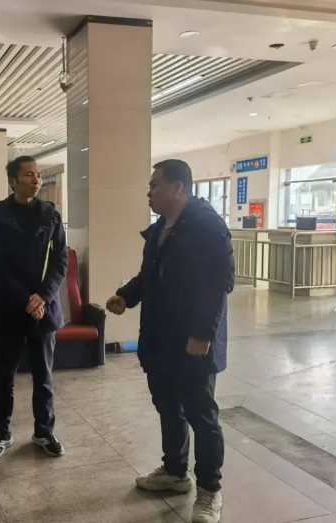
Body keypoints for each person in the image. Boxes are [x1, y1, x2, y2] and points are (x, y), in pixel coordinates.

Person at [106, 160, 235, 523]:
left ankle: (209, 490)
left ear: (179, 188)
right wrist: (126, 296)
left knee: (201, 415)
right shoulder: (162, 227)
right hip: (161, 337)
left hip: (192, 339)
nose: (149, 192)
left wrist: (202, 333)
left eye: (155, 185)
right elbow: (150, 274)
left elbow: (219, 282)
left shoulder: (207, 225)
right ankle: (176, 473)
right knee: (168, 406)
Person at [0, 155, 68, 461]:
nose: (36, 180)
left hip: (44, 308)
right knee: (3, 378)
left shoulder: (51, 215)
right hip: (8, 308)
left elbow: (60, 261)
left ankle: (44, 431)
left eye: (38, 175)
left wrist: (42, 296)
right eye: (29, 175)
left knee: (44, 377)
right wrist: (26, 300)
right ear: (13, 181)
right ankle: (1, 434)